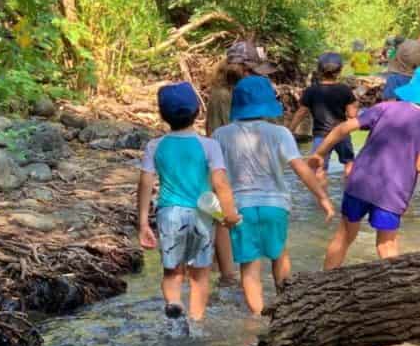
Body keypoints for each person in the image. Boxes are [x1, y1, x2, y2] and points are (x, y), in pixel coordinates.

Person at [311, 67, 420, 269]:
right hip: (392, 192)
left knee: (344, 235)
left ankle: (323, 287)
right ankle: (393, 296)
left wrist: (319, 153)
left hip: (360, 182)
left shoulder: (385, 108)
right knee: (387, 245)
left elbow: (342, 128)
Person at [213, 76, 335, 315]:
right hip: (275, 205)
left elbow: (215, 176)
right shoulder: (280, 133)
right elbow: (301, 168)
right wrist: (322, 197)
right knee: (279, 254)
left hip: (240, 208)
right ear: (268, 104)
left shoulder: (220, 135)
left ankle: (258, 316)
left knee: (249, 266)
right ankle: (285, 306)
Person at [138, 82, 240, 322]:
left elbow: (145, 183)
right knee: (199, 275)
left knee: (172, 272)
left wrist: (143, 223)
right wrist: (230, 213)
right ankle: (195, 321)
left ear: (163, 115)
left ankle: (174, 304)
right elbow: (221, 183)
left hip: (169, 214)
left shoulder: (155, 145)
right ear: (197, 111)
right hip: (201, 214)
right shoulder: (209, 145)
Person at [205, 39, 277, 285]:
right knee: (223, 217)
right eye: (255, 70)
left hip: (238, 163)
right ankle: (228, 276)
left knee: (229, 218)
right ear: (242, 69)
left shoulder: (237, 92)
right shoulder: (222, 96)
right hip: (226, 165)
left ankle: (225, 271)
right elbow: (216, 134)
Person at [289, 53, 359, 177]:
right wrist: (355, 104)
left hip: (321, 136)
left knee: (319, 168)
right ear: (340, 70)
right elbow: (352, 115)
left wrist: (290, 130)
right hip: (341, 133)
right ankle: (348, 193)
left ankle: (320, 196)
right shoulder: (344, 90)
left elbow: (301, 113)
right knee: (349, 164)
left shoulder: (311, 90)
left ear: (319, 70)